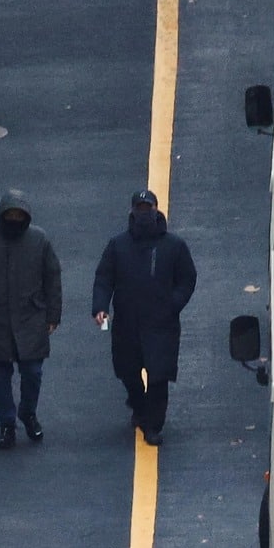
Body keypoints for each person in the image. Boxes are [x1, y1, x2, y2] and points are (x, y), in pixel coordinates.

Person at [90, 188, 196, 445]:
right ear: (132, 212)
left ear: (156, 210)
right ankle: (139, 407)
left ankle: (153, 425)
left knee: (159, 376)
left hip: (161, 325)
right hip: (128, 324)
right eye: (140, 209)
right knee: (128, 372)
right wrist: (100, 306)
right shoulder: (118, 246)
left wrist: (173, 305)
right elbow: (104, 278)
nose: (144, 213)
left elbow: (187, 279)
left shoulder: (174, 246)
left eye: (148, 208)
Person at [0, 189, 63, 449]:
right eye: (9, 215)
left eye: (18, 215)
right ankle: (7, 423)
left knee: (33, 372)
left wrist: (53, 314)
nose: (14, 219)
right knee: (1, 377)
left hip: (31, 318)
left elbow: (52, 278)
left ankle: (28, 412)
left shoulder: (39, 240)